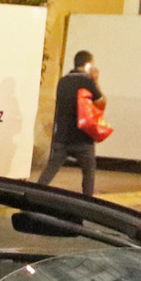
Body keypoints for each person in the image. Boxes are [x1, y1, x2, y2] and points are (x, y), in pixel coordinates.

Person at [40, 48, 102, 197]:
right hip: (82, 138)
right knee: (88, 172)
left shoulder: (63, 81)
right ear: (87, 65)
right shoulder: (87, 82)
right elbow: (101, 102)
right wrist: (95, 81)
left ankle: (35, 194)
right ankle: (87, 202)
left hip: (62, 136)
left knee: (50, 170)